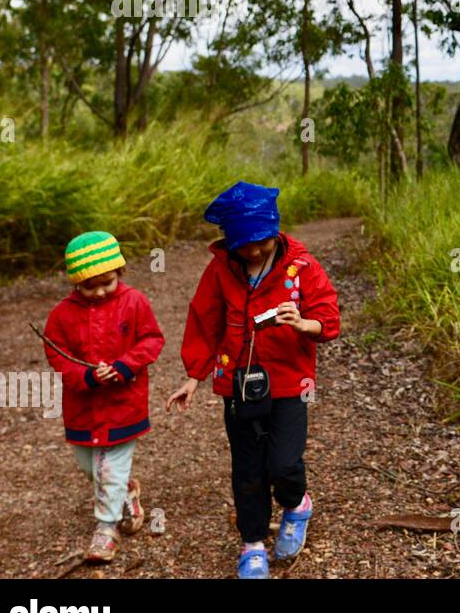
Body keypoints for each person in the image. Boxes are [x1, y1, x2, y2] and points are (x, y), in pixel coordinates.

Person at [166, 181, 340, 579]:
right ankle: (253, 543)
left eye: (262, 241)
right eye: (244, 244)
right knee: (247, 468)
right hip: (237, 384)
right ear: (229, 241)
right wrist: (194, 376)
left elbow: (328, 318)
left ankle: (296, 505)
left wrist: (303, 323)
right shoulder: (221, 270)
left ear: (274, 231)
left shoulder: (302, 268)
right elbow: (204, 321)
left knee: (282, 463)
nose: (255, 251)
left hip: (289, 383)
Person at [42, 231, 164, 563]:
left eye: (106, 283)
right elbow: (57, 353)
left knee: (109, 467)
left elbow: (152, 340)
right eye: (88, 286)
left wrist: (126, 365)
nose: (98, 291)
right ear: (75, 284)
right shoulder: (63, 314)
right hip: (82, 406)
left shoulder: (134, 302)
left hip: (123, 404)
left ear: (119, 273)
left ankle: (105, 529)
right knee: (89, 465)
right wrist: (84, 376)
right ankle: (126, 492)